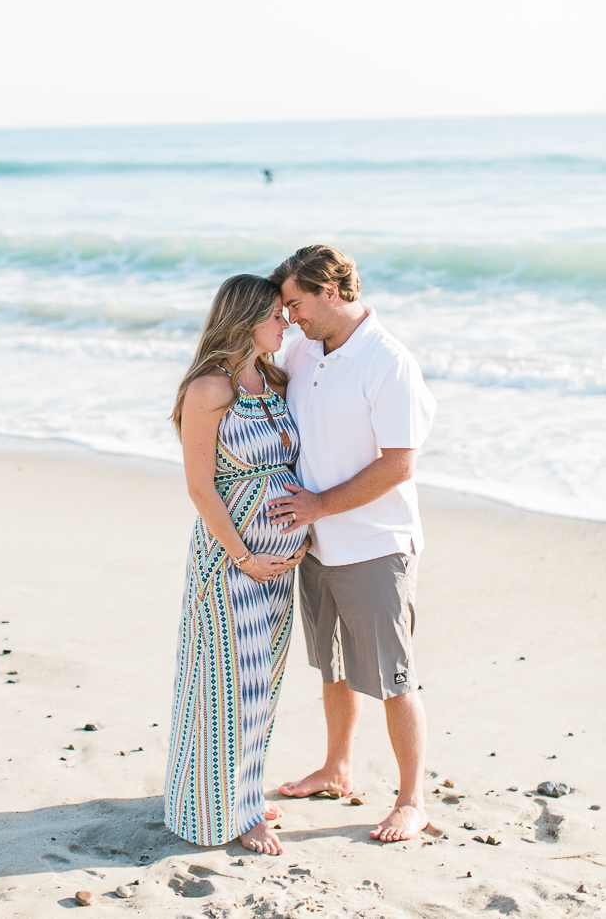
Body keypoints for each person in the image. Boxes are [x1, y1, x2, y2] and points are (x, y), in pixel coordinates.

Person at [267, 245, 437, 842]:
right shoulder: (302, 349)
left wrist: (317, 504)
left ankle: (412, 800)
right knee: (332, 667)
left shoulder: (388, 361)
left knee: (393, 677)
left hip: (374, 544)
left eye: (296, 303)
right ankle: (337, 768)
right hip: (314, 544)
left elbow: (398, 466)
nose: (290, 317)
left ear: (331, 290)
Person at [164, 274, 309, 856]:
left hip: (278, 563)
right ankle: (225, 813)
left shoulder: (272, 378)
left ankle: (240, 794)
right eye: (275, 314)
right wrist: (245, 556)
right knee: (226, 683)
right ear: (245, 317)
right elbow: (201, 488)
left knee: (262, 683)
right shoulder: (209, 390)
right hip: (233, 562)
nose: (286, 322)